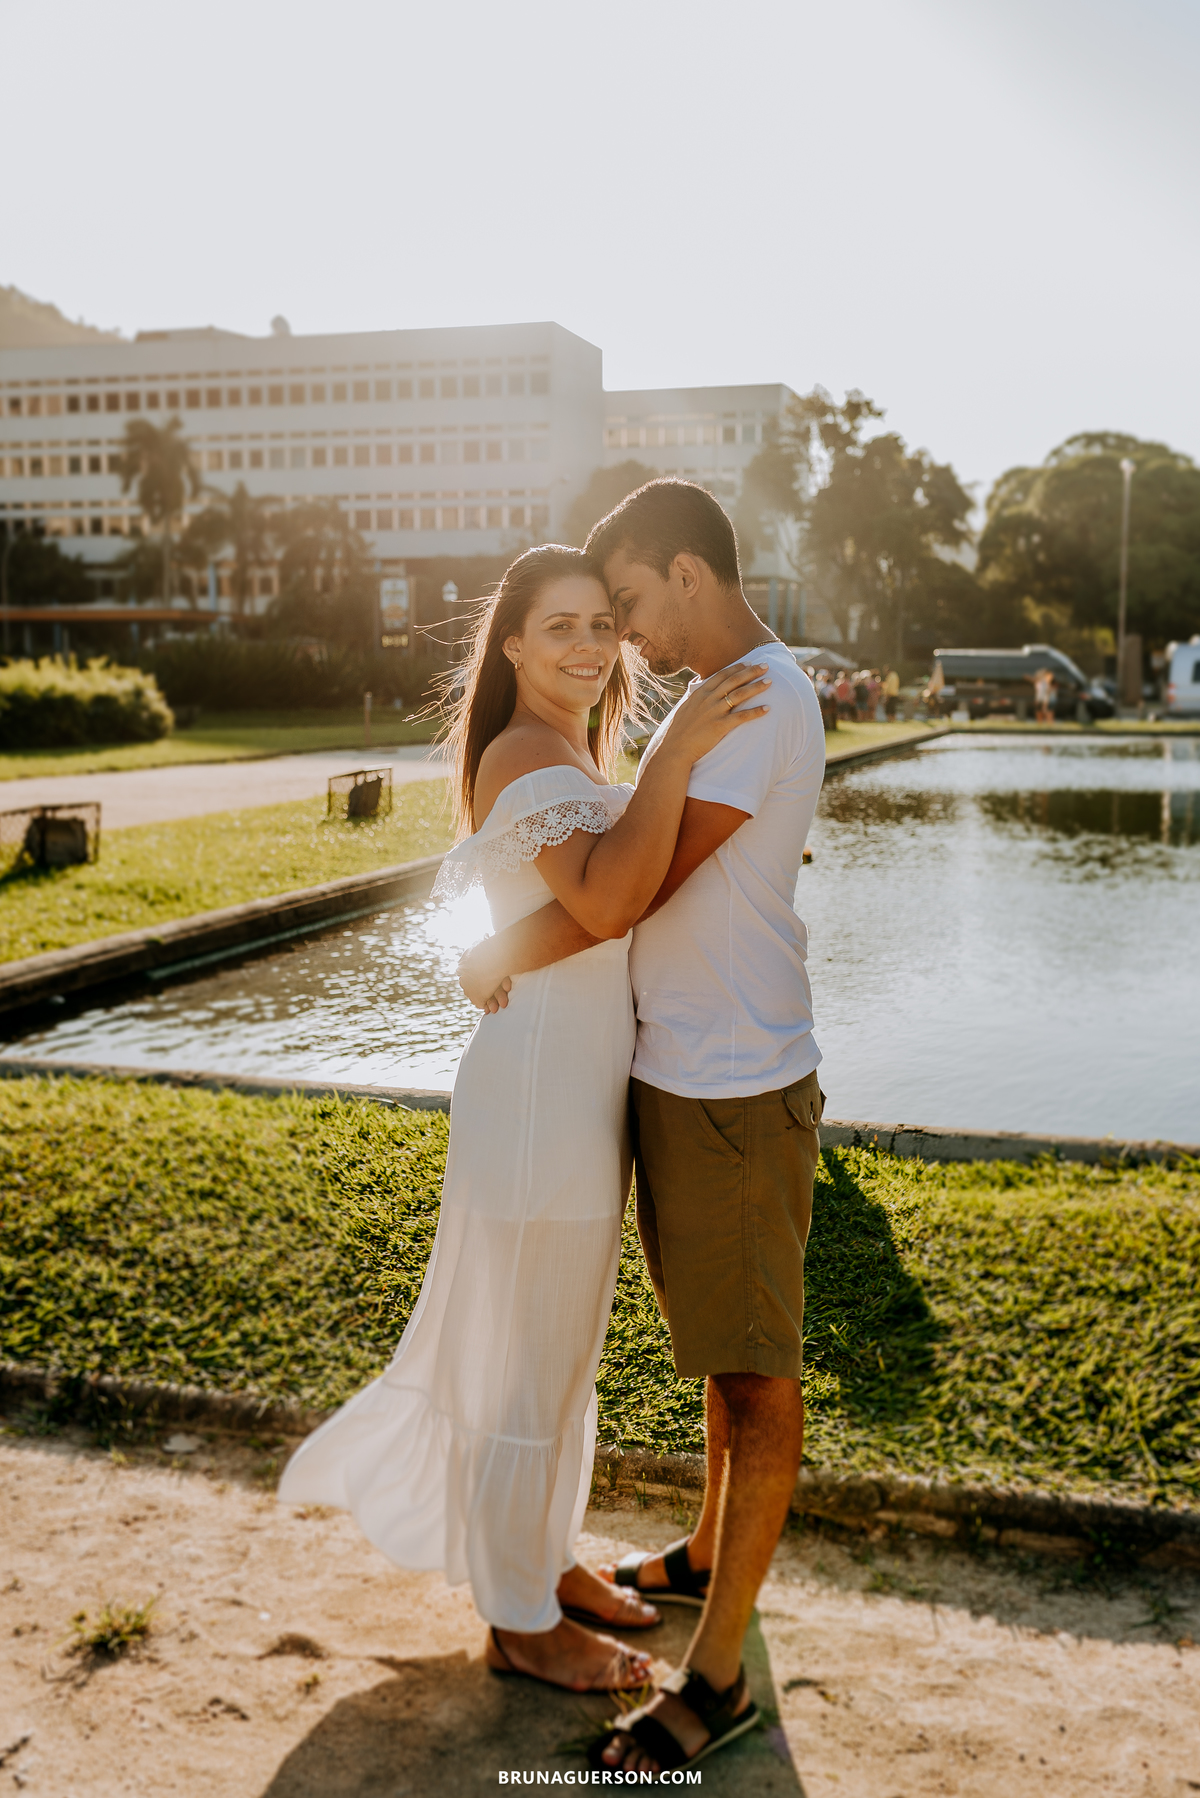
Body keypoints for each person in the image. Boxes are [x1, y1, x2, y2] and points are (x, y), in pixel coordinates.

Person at [277, 544, 769, 1696]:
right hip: (541, 1092)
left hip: (573, 1088)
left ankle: (539, 1561)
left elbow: (608, 892)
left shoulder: (573, 748)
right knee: (528, 1367)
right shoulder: (519, 752)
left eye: (604, 622)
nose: (593, 645)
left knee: (558, 1359)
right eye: (561, 629)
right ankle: (515, 1619)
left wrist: (651, 769)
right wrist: (681, 752)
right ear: (510, 647)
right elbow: (605, 901)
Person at [459, 481, 826, 1776]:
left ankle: (715, 1678)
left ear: (686, 571)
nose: (622, 638)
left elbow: (633, 889)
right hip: (679, 1075)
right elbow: (638, 880)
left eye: (623, 608)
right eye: (585, 618)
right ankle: (709, 1553)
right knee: (723, 1365)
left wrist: (504, 946)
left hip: (733, 1078)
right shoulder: (719, 698)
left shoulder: (754, 698)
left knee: (754, 1378)